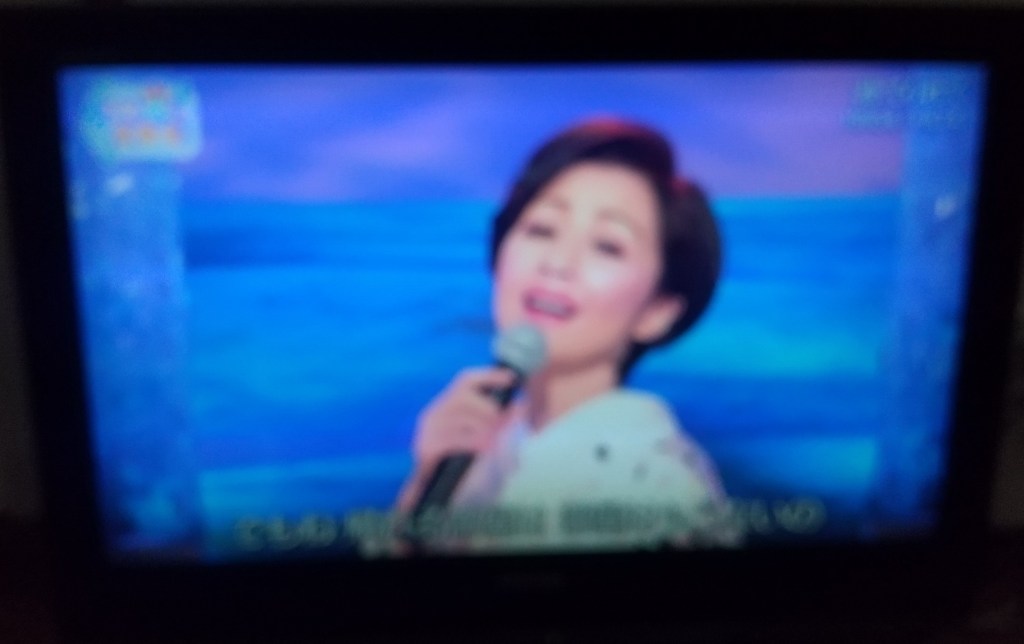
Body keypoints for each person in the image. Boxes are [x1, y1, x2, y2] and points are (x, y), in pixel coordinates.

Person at [394, 118, 739, 552]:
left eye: (607, 246)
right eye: (541, 230)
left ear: (658, 311)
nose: (557, 263)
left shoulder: (658, 482)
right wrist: (425, 485)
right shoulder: (489, 443)